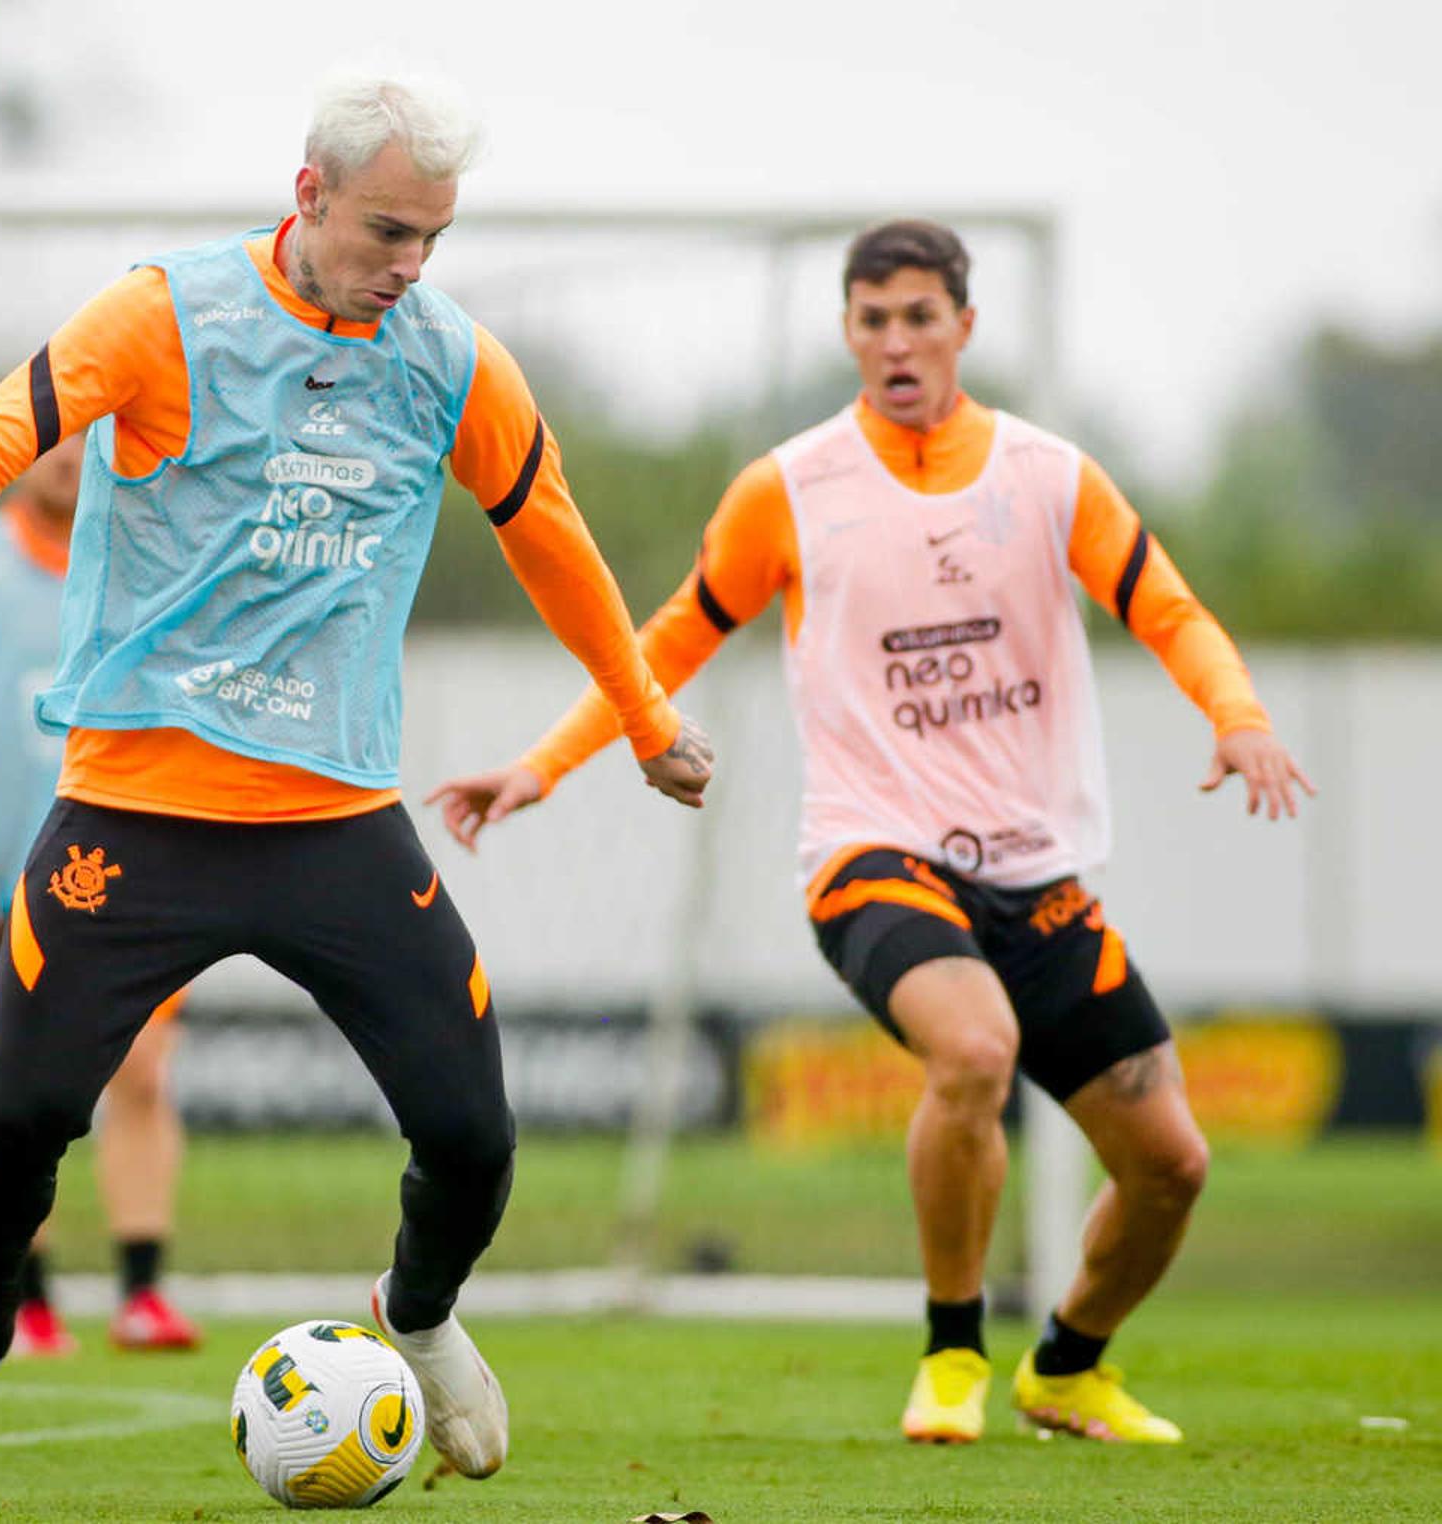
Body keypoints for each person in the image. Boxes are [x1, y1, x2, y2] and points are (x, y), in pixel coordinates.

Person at [0, 70, 714, 1480]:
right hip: (132, 817)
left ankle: (415, 1319)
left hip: (336, 824)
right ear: (308, 196)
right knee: (26, 1119)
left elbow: (548, 531)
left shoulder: (451, 357)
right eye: (384, 235)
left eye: (432, 240)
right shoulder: (164, 313)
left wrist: (647, 716)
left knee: (474, 1133)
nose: (408, 268)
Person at [428, 219, 1314, 1446]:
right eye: (872, 318)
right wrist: (544, 766)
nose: (896, 340)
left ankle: (1066, 1370)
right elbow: (671, 638)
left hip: (1035, 876)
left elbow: (1169, 608)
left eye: (918, 316)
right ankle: (952, 1352)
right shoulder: (790, 489)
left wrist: (1241, 717)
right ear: (848, 331)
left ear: (965, 325)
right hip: (871, 855)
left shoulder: (1049, 475)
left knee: (1172, 1166)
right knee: (973, 1051)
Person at [0, 431, 199, 1355]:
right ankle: (27, 1301)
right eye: (61, 441)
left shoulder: (157, 569)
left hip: (141, 876)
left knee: (145, 1076)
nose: (75, 459)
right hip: (7, 885)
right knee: (21, 1095)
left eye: (97, 440)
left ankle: (142, 1293)